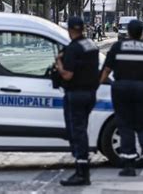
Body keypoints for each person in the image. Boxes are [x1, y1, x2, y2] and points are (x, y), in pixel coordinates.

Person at [99, 19, 143, 177]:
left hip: (121, 89)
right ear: (142, 33)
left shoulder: (118, 47)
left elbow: (106, 70)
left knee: (125, 126)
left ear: (129, 33)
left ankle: (129, 165)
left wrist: (97, 86)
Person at [56, 17, 99, 186]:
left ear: (69, 29)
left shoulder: (73, 48)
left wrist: (59, 62)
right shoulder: (91, 45)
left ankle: (82, 172)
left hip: (76, 93)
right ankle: (81, 168)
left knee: (77, 131)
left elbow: (67, 75)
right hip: (90, 93)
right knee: (82, 129)